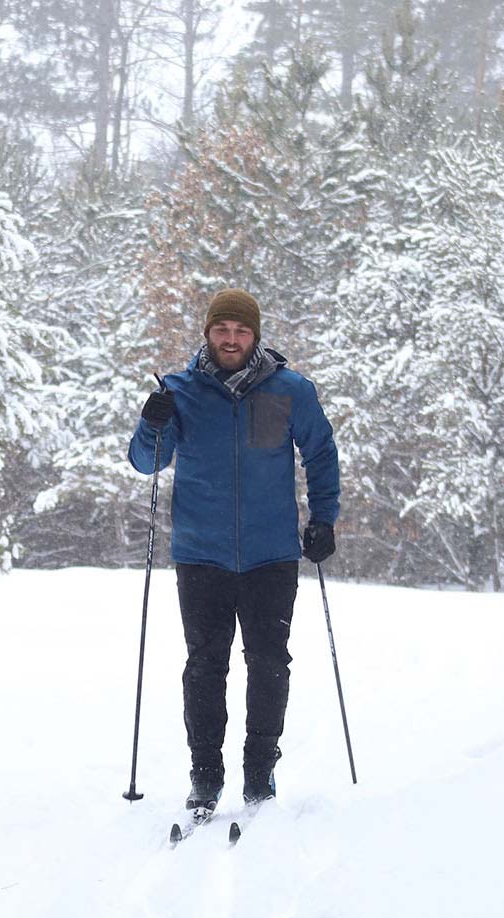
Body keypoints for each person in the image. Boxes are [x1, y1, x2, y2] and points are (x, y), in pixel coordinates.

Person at [128, 288, 340, 816]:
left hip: (272, 554)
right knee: (205, 666)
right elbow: (145, 463)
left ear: (256, 335)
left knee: (269, 662)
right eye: (221, 329)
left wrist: (323, 518)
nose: (231, 338)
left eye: (241, 330)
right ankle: (205, 775)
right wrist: (151, 422)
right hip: (201, 554)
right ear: (208, 333)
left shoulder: (291, 391)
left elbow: (320, 453)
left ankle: (259, 769)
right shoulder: (179, 391)